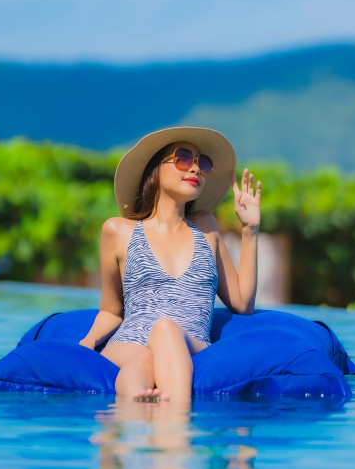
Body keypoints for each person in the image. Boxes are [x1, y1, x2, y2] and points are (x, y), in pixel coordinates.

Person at [79, 126, 261, 405]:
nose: (196, 169)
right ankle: (134, 421)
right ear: (155, 169)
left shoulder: (205, 226)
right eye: (184, 158)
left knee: (165, 330)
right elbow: (111, 310)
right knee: (142, 357)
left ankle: (166, 429)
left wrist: (249, 229)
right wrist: (88, 342)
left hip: (190, 340)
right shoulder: (118, 231)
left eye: (203, 163)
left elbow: (242, 303)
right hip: (130, 343)